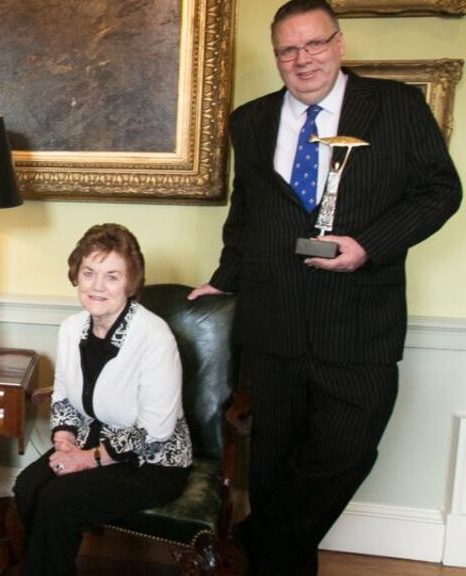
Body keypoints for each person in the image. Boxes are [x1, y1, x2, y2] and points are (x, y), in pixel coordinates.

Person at [187, 1, 462, 573]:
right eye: (288, 49)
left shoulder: (395, 106)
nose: (302, 59)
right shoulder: (252, 119)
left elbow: (440, 191)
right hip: (273, 325)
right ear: (277, 56)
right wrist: (222, 281)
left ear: (338, 44)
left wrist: (370, 243)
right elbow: (246, 215)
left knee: (347, 452)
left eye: (313, 44)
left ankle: (259, 541)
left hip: (360, 324)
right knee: (273, 468)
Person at [13, 223, 193, 576]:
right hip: (92, 440)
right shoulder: (72, 328)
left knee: (59, 499)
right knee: (28, 487)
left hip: (153, 461)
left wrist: (85, 460)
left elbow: (155, 430)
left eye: (112, 276)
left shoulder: (154, 336)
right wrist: (63, 438)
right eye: (89, 273)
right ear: (75, 276)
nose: (97, 286)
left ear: (130, 282)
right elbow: (63, 394)